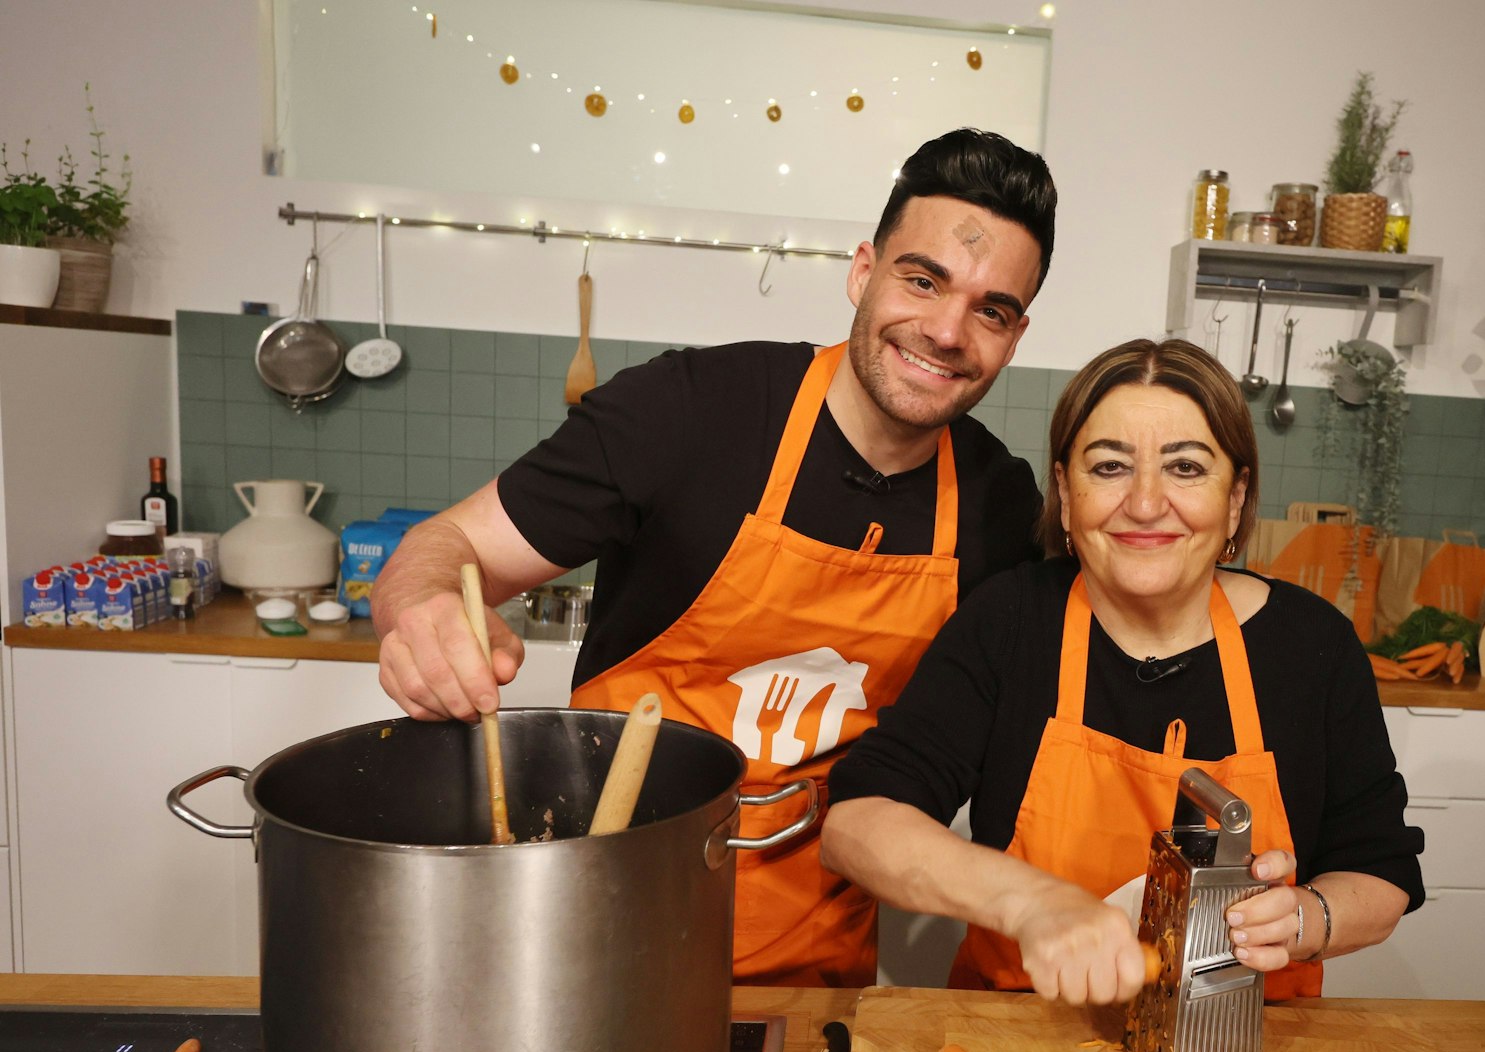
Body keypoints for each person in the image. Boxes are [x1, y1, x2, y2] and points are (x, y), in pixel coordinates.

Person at [369, 128, 1058, 987]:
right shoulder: (692, 413)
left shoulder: (999, 506)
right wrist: (423, 604)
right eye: (923, 279)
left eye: (991, 309)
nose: (947, 330)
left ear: (1016, 334)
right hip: (591, 939)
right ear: (862, 271)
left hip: (812, 978)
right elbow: (448, 547)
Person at [822, 338, 1423, 1006]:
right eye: (1109, 466)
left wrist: (1305, 918)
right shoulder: (1011, 621)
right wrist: (1032, 903)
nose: (1144, 503)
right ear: (1065, 492)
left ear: (1235, 498)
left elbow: (1381, 872)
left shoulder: (1313, 648)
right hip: (1022, 1041)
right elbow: (857, 823)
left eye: (1187, 468)